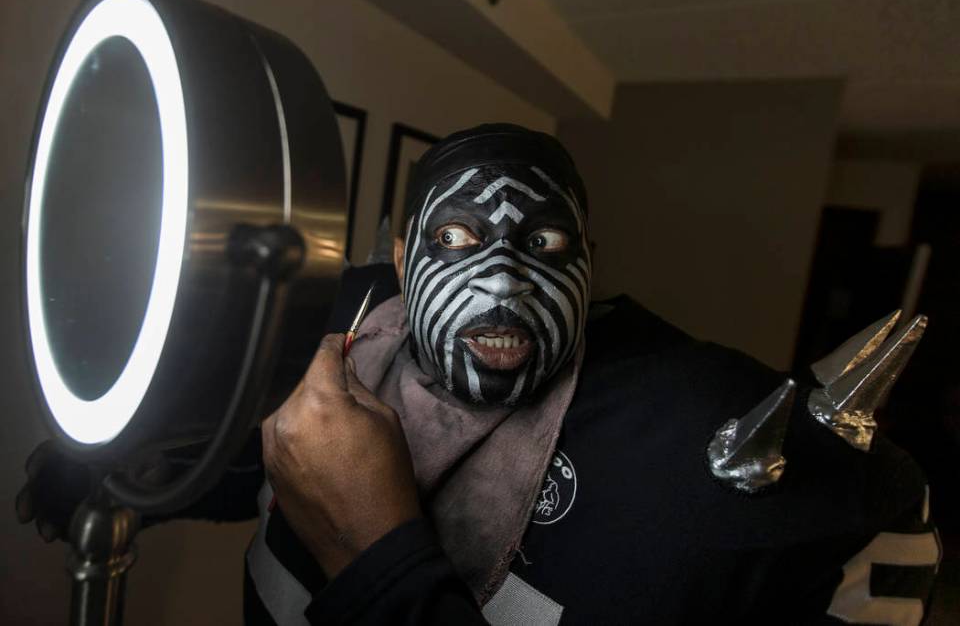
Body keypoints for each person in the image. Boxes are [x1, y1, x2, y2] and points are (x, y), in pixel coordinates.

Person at [19, 124, 941, 625]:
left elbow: (882, 520)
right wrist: (146, 475)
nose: (500, 281)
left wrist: (374, 557)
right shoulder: (344, 318)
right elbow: (267, 458)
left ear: (592, 259)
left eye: (542, 244)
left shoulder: (691, 430)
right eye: (456, 240)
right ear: (397, 249)